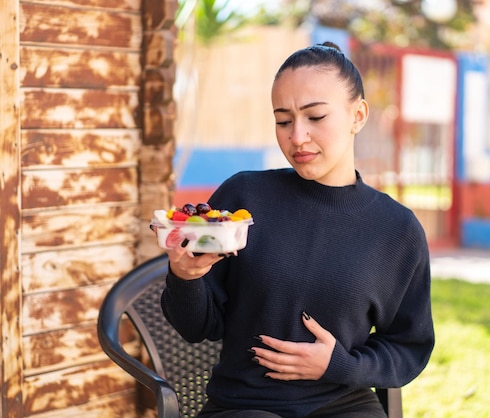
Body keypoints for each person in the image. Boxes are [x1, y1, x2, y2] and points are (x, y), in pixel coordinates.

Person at [161, 41, 435, 418]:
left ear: (358, 115)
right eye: (283, 120)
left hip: (342, 402)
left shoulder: (396, 229)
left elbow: (408, 346)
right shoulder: (244, 199)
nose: (297, 137)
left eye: (316, 117)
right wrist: (185, 276)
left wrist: (339, 365)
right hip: (244, 406)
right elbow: (197, 327)